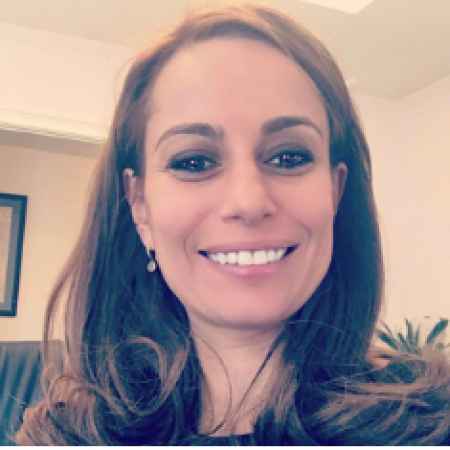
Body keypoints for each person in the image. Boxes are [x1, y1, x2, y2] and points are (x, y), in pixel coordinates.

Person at [14, 4, 449, 445]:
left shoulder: (432, 424)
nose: (249, 202)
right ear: (140, 205)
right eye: (194, 161)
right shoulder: (67, 435)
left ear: (335, 191)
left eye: (289, 157)